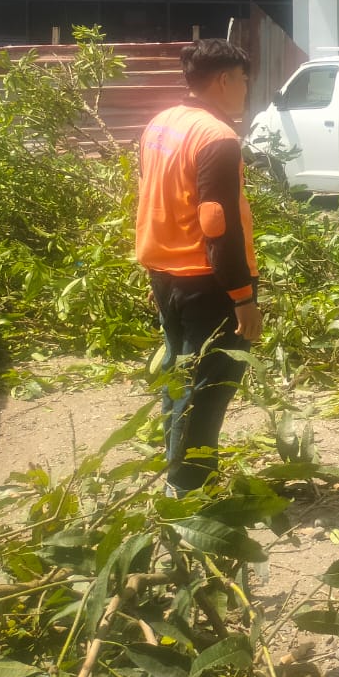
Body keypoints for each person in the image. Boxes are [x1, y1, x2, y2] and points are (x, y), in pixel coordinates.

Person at [136, 39, 261, 496]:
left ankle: (176, 467)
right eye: (244, 80)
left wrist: (158, 270)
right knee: (208, 385)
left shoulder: (162, 123)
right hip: (208, 282)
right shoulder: (217, 137)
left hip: (166, 272)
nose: (247, 89)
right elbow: (216, 222)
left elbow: (153, 194)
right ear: (225, 80)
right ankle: (187, 488)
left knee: (177, 372)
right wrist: (242, 295)